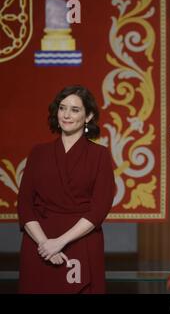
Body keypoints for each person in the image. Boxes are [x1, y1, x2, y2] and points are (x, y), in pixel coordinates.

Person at [17, 85, 115, 293]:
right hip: (38, 245)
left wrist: (60, 242)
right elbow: (24, 205)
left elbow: (98, 210)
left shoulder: (100, 155)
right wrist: (45, 245)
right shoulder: (38, 153)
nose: (67, 115)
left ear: (88, 116)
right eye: (62, 108)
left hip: (81, 243)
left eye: (75, 110)